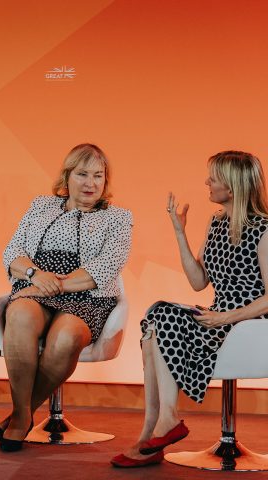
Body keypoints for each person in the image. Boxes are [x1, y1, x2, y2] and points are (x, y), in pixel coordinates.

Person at [111, 151, 268, 468]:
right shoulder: (217, 223)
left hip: (250, 324)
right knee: (156, 317)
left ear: (234, 186)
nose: (207, 182)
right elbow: (198, 282)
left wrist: (227, 317)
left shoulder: (265, 229)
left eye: (214, 177)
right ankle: (155, 430)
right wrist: (180, 232)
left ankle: (159, 430)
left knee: (162, 318)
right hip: (218, 318)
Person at [0, 143, 133, 452]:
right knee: (18, 316)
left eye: (98, 175)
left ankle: (20, 415)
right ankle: (22, 416)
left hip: (88, 296)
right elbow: (12, 253)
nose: (91, 183)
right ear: (67, 176)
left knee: (67, 336)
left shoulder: (118, 218)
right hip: (37, 287)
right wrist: (35, 277)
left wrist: (51, 284)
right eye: (82, 174)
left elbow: (105, 267)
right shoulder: (41, 206)